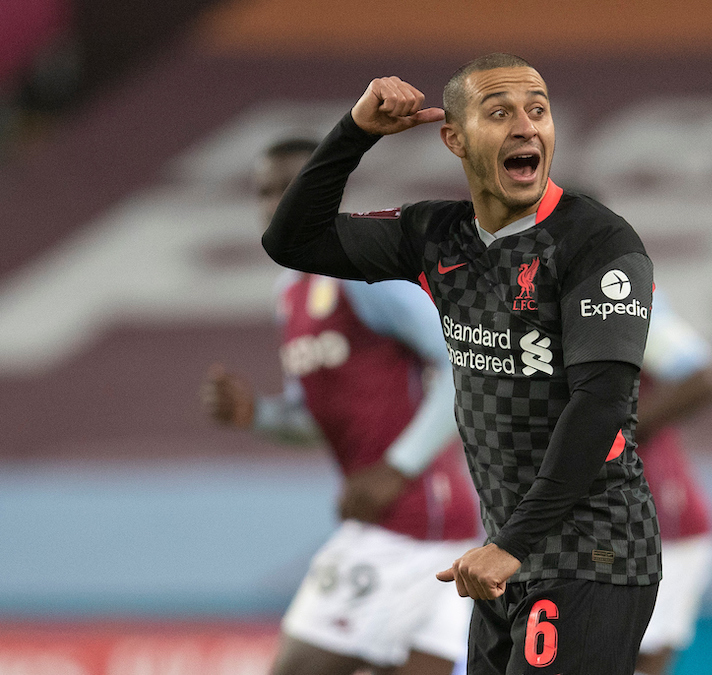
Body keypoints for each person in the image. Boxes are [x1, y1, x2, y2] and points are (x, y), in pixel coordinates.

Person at [262, 53, 660, 675]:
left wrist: (510, 544)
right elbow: (291, 241)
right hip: (500, 563)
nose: (526, 127)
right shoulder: (437, 236)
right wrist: (356, 133)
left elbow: (601, 405)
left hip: (593, 555)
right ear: (455, 138)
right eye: (499, 113)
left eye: (538, 111)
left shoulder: (597, 241)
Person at [202, 137, 481, 675]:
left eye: (292, 187)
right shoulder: (292, 294)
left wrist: (395, 470)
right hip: (416, 519)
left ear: (326, 188)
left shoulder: (363, 273)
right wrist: (256, 415)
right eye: (266, 192)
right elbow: (316, 416)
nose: (277, 203)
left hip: (407, 519)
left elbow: (464, 364)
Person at [634, 290, 712, 675]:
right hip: (568, 516)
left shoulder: (612, 291)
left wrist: (605, 436)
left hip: (655, 516)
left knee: (634, 658)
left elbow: (700, 378)